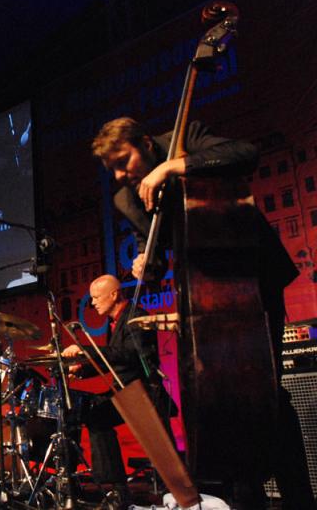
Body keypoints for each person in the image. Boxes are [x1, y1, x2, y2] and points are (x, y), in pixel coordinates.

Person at [92, 117, 315, 510]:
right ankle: (247, 499)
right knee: (223, 402)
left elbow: (244, 153)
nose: (120, 174)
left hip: (250, 280)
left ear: (145, 143)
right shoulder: (127, 198)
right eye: (111, 168)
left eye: (124, 161)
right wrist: (147, 261)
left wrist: (174, 165)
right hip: (202, 296)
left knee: (267, 393)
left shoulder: (183, 140)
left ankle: (299, 498)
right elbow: (155, 248)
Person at [61, 274, 173, 508]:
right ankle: (115, 488)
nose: (92, 303)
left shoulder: (135, 317)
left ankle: (169, 493)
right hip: (127, 392)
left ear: (114, 294)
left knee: (165, 458)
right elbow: (114, 359)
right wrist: (84, 370)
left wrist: (85, 351)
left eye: (96, 297)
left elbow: (131, 356)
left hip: (144, 393)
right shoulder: (116, 321)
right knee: (95, 415)